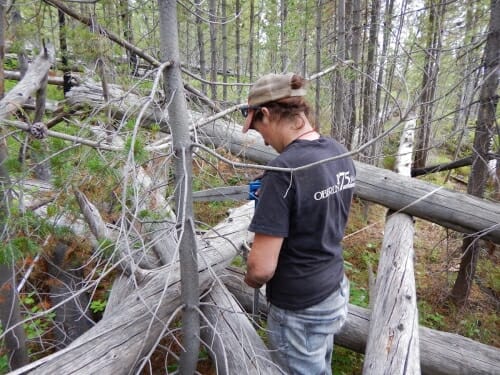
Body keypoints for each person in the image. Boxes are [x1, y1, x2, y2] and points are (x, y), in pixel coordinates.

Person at [241, 73, 356, 375]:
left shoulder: (283, 170)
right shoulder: (339, 152)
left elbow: (261, 268)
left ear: (266, 113)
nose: (263, 140)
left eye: (258, 128)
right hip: (334, 289)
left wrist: (250, 278)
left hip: (299, 308)